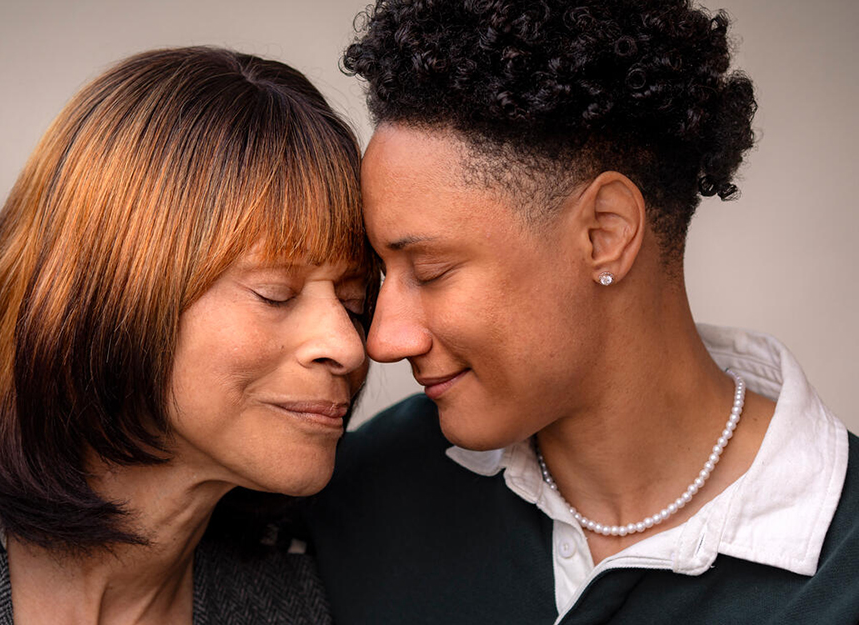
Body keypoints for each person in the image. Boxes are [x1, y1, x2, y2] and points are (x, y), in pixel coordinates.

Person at [305, 1, 859, 623]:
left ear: (605, 233)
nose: (381, 340)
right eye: (381, 276)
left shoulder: (843, 571)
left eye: (431, 272)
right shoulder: (363, 492)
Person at [0, 46, 376, 624]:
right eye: (275, 293)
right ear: (111, 293)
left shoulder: (305, 585)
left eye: (354, 303)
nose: (350, 347)